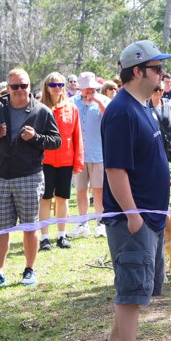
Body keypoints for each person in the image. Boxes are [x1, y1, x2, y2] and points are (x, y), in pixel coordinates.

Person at [98, 40, 171, 341]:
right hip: (134, 219)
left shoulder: (144, 106)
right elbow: (115, 170)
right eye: (157, 68)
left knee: (141, 286)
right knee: (130, 290)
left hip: (149, 216)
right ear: (138, 71)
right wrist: (131, 213)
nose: (163, 73)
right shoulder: (121, 111)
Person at [0, 69, 61, 289]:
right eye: (15, 87)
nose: (20, 91)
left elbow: (56, 141)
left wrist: (36, 138)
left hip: (30, 176)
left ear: (29, 86)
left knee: (30, 227)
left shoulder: (41, 111)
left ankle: (29, 270)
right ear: (8, 87)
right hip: (2, 177)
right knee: (1, 229)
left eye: (24, 86)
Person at [38, 72, 84, 251]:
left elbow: (77, 136)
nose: (57, 88)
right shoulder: (40, 108)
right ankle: (44, 237)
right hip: (45, 161)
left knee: (62, 199)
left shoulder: (71, 108)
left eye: (61, 85)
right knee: (45, 199)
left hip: (66, 160)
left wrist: (78, 160)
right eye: (53, 85)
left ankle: (61, 235)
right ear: (47, 87)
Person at [71, 72, 108, 239]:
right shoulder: (72, 103)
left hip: (98, 153)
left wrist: (98, 101)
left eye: (92, 89)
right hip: (78, 155)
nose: (89, 92)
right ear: (80, 89)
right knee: (80, 190)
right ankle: (83, 223)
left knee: (98, 191)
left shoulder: (104, 101)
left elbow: (110, 119)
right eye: (86, 89)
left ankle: (100, 224)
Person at [147, 81, 171, 178]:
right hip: (152, 146)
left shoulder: (168, 107)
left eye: (160, 90)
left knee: (164, 175)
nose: (158, 92)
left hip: (168, 147)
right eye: (155, 89)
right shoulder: (145, 107)